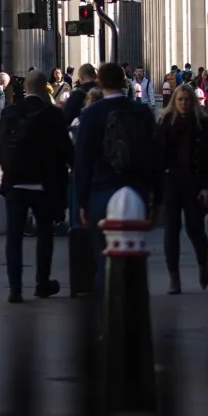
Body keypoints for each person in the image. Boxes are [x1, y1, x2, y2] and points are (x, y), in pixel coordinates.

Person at [71, 62, 159, 300]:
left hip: (102, 190)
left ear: (99, 83)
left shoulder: (90, 115)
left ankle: (107, 319)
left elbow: (83, 162)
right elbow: (155, 156)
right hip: (136, 190)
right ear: (124, 82)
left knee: (104, 257)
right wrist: (156, 198)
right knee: (136, 255)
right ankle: (137, 309)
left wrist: (82, 202)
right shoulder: (141, 113)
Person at [0, 68, 69, 302]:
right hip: (44, 184)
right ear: (44, 87)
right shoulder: (53, 115)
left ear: (25, 88)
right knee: (45, 236)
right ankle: (42, 282)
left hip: (15, 182)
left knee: (14, 238)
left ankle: (15, 289)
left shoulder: (10, 112)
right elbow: (67, 152)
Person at [157, 81, 208, 293]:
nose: (183, 103)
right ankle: (174, 278)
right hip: (171, 182)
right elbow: (157, 158)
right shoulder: (165, 123)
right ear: (174, 101)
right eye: (180, 100)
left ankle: (203, 264)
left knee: (196, 230)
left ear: (193, 102)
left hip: (195, 182)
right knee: (170, 231)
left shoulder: (204, 125)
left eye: (187, 100)